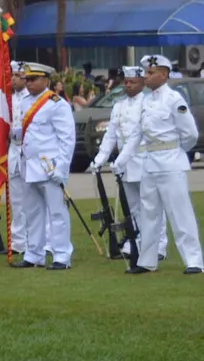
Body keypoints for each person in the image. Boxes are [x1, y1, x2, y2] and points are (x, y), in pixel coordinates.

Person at [117, 55, 204, 275]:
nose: (146, 77)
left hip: (171, 162)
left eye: (151, 73)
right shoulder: (146, 101)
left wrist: (176, 151)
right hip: (150, 163)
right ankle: (147, 260)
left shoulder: (174, 99)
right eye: (146, 72)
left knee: (180, 213)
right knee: (149, 214)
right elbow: (136, 135)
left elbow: (191, 134)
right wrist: (121, 160)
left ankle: (194, 261)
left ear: (164, 74)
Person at [10, 63, 75, 269]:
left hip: (50, 167)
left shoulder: (56, 104)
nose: (29, 83)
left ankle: (62, 256)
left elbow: (67, 139)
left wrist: (62, 169)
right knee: (32, 213)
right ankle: (34, 254)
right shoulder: (25, 102)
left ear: (46, 80)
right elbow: (26, 132)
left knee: (57, 213)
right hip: (29, 166)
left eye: (33, 79)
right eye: (27, 79)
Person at [87, 65, 147, 264]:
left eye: (133, 82)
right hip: (125, 163)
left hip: (145, 159)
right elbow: (111, 135)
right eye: (126, 82)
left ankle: (158, 244)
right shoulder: (119, 105)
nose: (128, 86)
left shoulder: (147, 103)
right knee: (131, 206)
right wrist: (100, 158)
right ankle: (135, 239)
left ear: (143, 83)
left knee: (151, 205)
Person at [5, 60, 34, 258]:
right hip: (13, 152)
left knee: (33, 199)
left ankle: (39, 239)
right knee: (16, 199)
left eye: (18, 76)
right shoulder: (8, 99)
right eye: (12, 76)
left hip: (29, 152)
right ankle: (18, 241)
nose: (14, 80)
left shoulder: (32, 99)